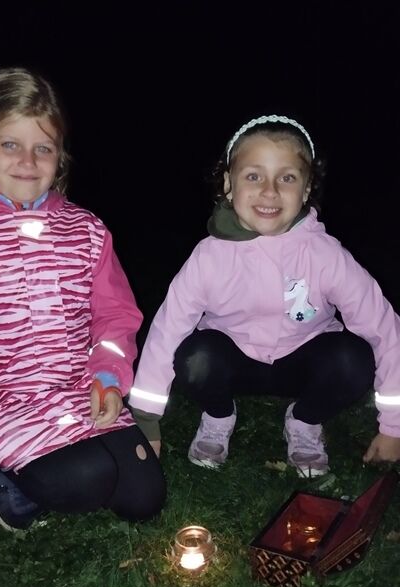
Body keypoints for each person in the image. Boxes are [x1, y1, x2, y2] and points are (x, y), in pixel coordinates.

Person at [0, 67, 166, 531]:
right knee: (87, 477)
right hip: (2, 403)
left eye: (43, 148)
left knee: (145, 496)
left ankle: (62, 459)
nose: (28, 161)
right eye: (10, 144)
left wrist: (108, 378)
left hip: (80, 389)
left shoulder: (87, 231)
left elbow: (115, 316)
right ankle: (4, 472)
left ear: (60, 154)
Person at [129, 114, 400, 476]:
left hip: (303, 363)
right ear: (229, 184)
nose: (270, 191)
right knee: (195, 357)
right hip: (233, 363)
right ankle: (218, 415)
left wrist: (394, 427)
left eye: (287, 178)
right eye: (253, 176)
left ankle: (305, 420)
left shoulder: (326, 255)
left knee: (353, 360)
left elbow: (384, 328)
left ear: (306, 189)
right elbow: (167, 331)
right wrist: (146, 420)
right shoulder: (208, 257)